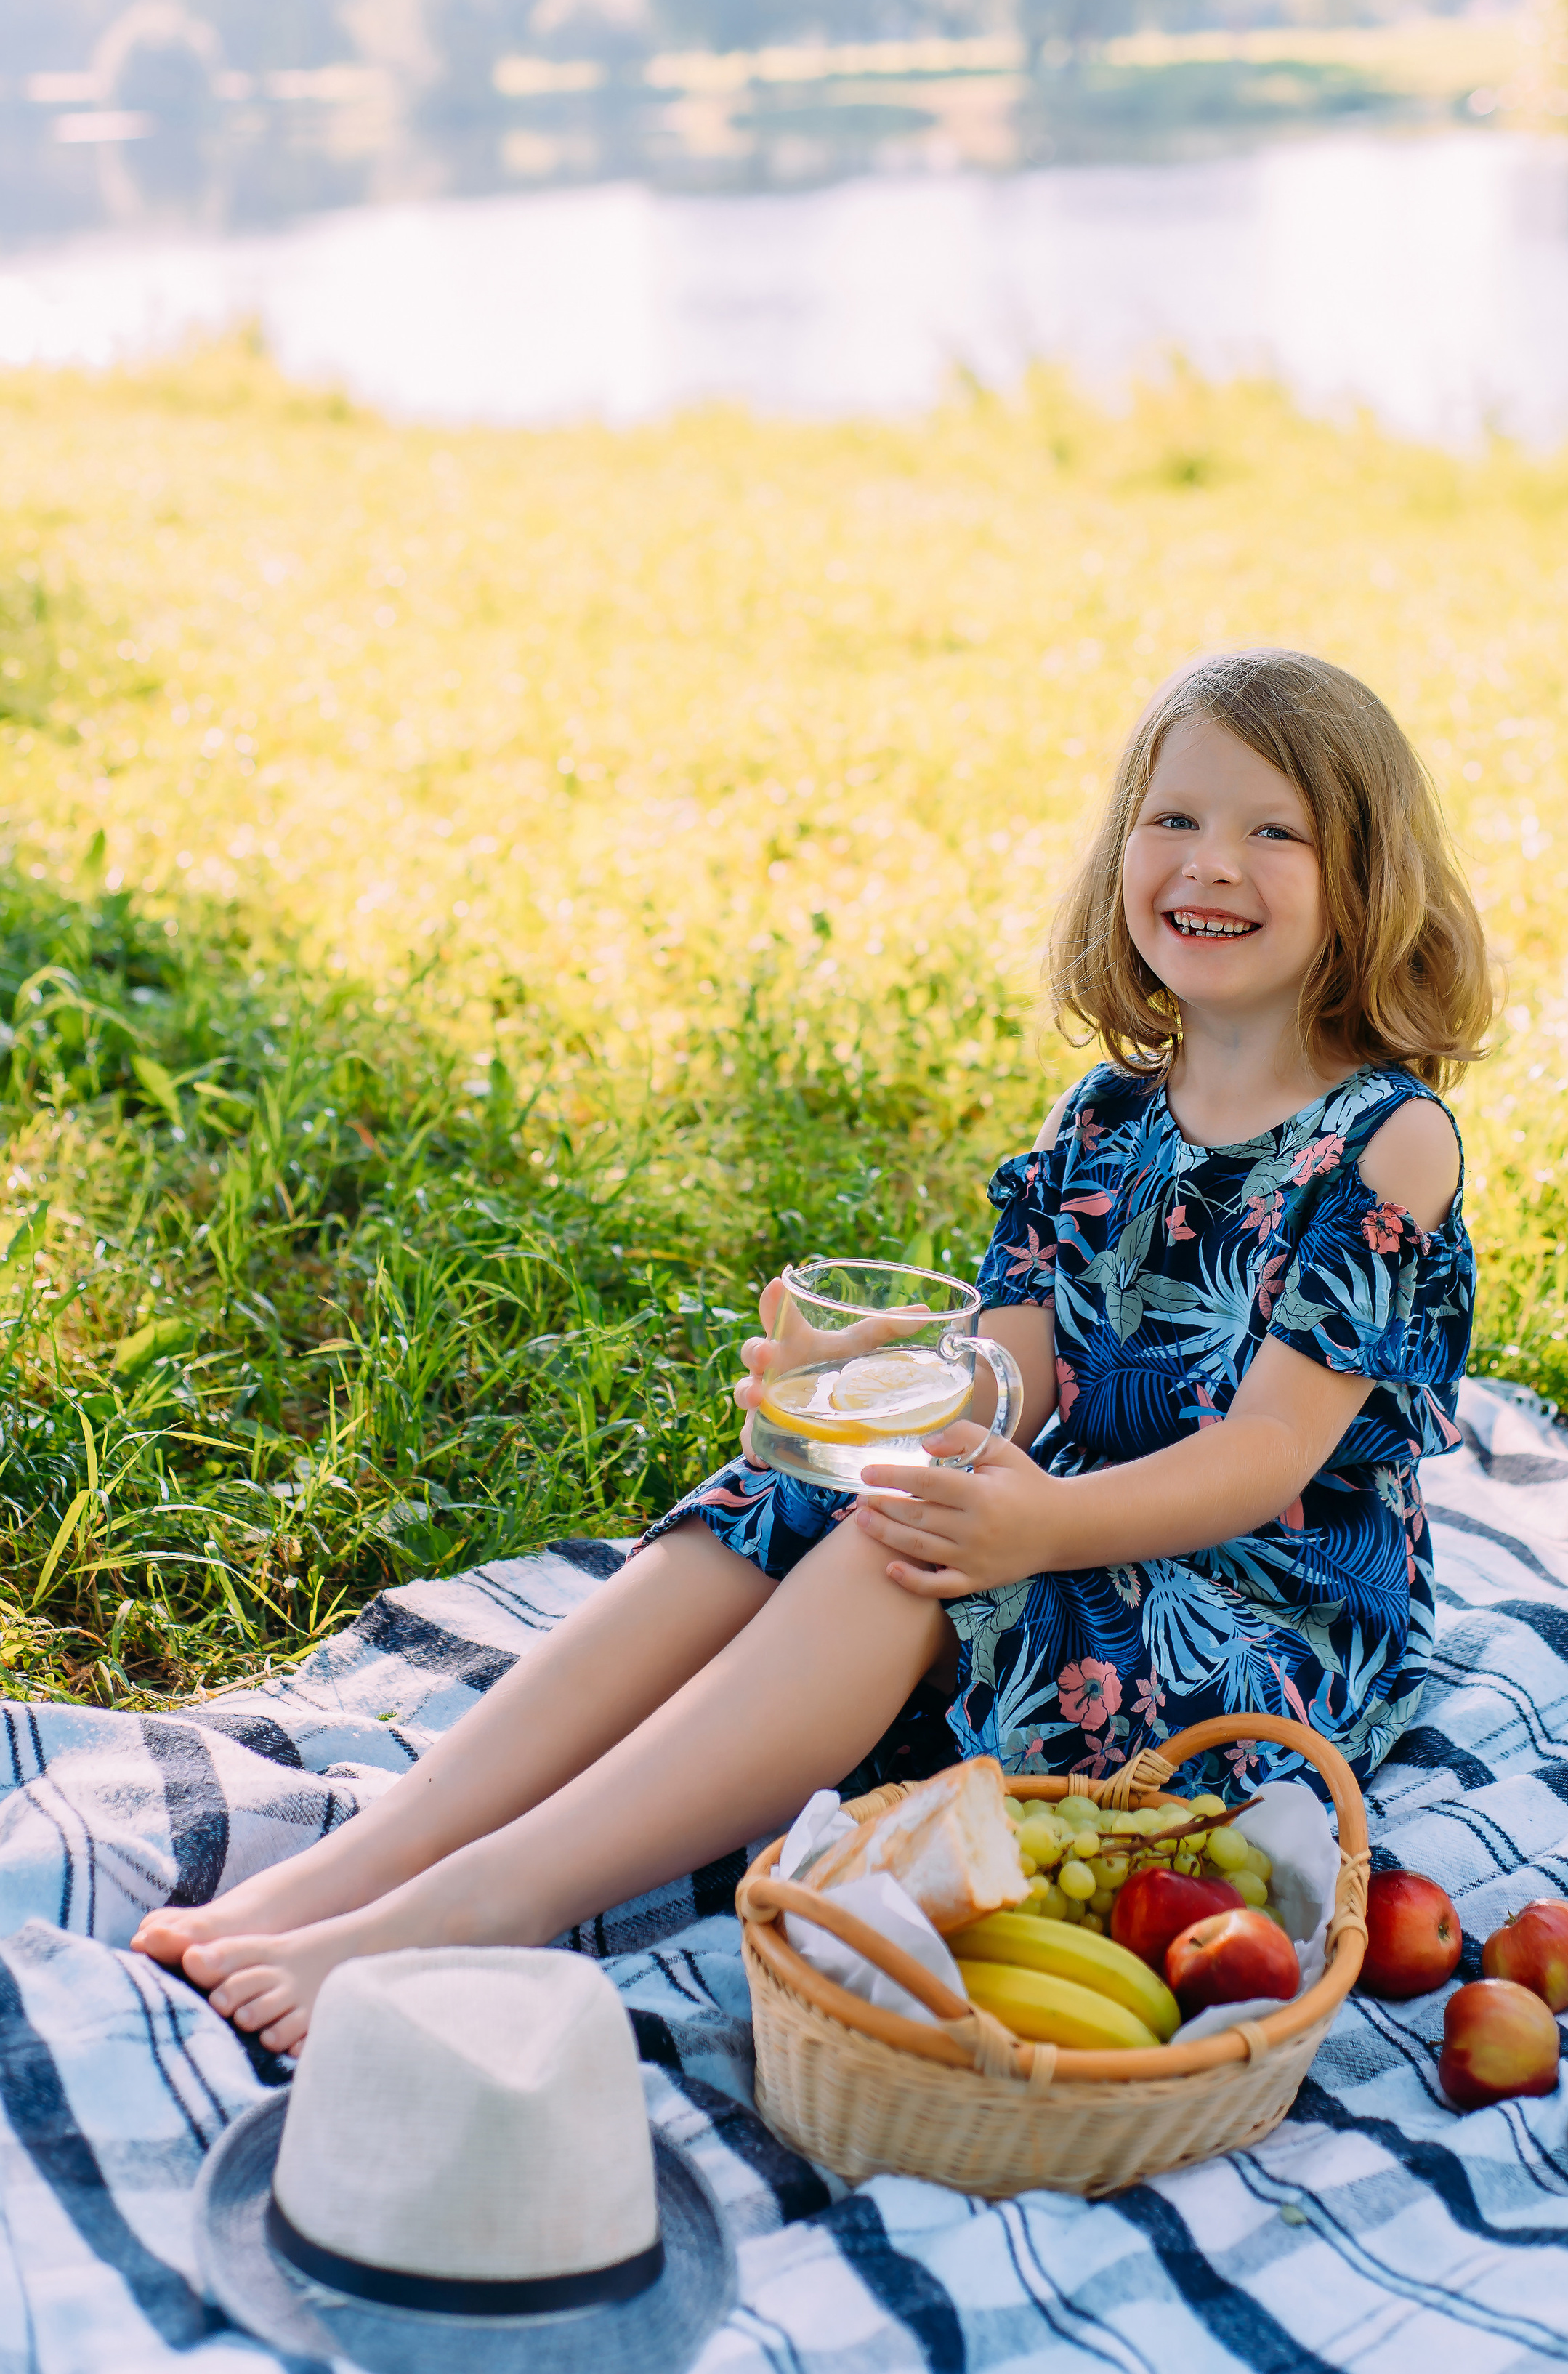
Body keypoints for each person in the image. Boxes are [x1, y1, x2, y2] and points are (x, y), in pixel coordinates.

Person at [133, 648, 1490, 2055]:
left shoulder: (1383, 1141)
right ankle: (383, 1849)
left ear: (1364, 876)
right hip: (1072, 1523)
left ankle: (494, 1896)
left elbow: (1268, 1454)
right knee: (797, 1494)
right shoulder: (1102, 1116)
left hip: (1260, 1603)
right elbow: (1028, 1361)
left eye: (1273, 832)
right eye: (1175, 821)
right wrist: (871, 1394)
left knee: (908, 1553)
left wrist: (1032, 1526)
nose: (1210, 865)